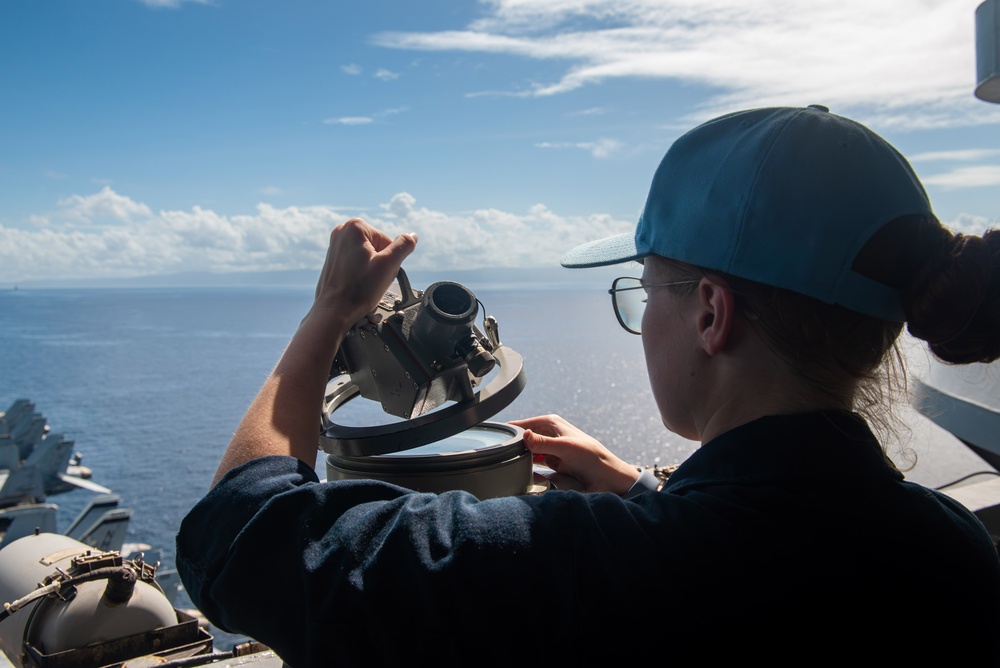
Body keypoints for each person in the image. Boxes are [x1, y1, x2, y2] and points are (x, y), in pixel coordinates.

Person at [176, 105, 1000, 666]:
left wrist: (326, 316)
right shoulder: (954, 552)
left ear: (713, 313)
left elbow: (240, 540)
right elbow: (781, 556)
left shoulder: (600, 575)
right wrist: (641, 490)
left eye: (647, 290)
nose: (642, 323)